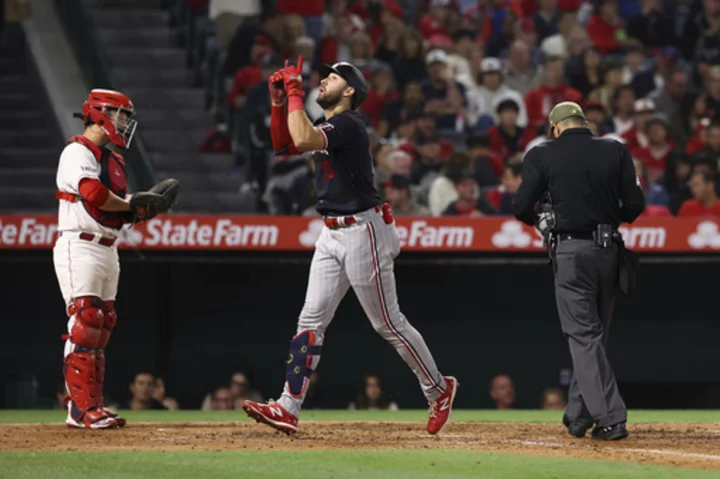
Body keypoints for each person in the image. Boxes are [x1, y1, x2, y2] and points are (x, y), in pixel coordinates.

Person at [241, 57, 458, 435]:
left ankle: (439, 388)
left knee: (387, 322)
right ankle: (288, 407)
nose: (322, 82)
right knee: (310, 321)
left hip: (363, 230)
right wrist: (280, 103)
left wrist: (294, 92)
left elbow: (305, 139)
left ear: (351, 90)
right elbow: (283, 144)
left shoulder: (350, 123)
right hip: (331, 231)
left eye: (332, 78)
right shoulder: (329, 123)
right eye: (323, 77)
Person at [513, 102, 645, 441]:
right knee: (594, 337)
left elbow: (520, 206)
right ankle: (578, 414)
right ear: (584, 123)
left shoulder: (542, 154)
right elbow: (635, 205)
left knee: (584, 337)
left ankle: (611, 418)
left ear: (556, 127)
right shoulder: (615, 150)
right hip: (610, 250)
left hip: (571, 251)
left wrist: (542, 218)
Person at [53, 89, 140, 429]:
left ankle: (92, 405)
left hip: (107, 246)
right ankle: (79, 409)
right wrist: (133, 203)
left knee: (102, 325)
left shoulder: (113, 159)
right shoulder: (76, 151)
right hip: (80, 244)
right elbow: (94, 194)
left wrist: (141, 208)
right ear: (101, 113)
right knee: (85, 321)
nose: (124, 122)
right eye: (120, 115)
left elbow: (116, 212)